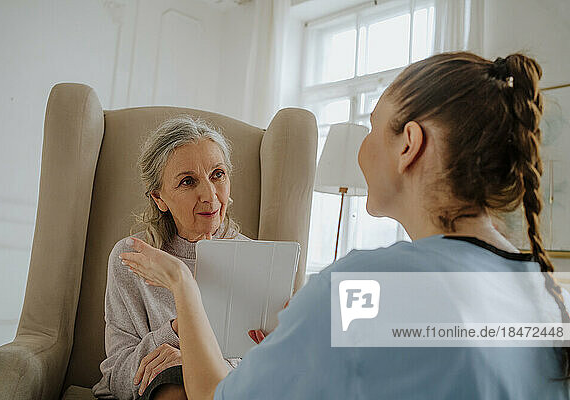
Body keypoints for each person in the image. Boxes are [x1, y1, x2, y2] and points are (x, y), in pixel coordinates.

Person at [121, 52, 570, 399]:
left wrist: (183, 283)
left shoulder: (361, 289)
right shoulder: (549, 295)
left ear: (408, 145)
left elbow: (217, 395)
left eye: (371, 128)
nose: (361, 150)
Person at [92, 116, 261, 400]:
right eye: (187, 181)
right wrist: (177, 330)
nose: (209, 195)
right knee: (173, 386)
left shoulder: (255, 261)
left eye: (217, 174)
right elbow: (118, 378)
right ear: (159, 198)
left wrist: (194, 363)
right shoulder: (131, 258)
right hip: (155, 393)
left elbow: (263, 376)